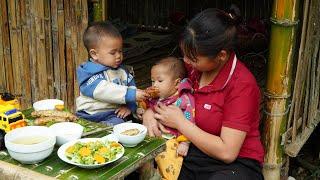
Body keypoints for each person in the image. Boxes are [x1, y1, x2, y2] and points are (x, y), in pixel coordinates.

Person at [143, 8, 264, 179]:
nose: (185, 61)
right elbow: (164, 88)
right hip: (192, 150)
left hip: (236, 163)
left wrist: (180, 123)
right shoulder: (193, 69)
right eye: (184, 54)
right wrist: (149, 112)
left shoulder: (242, 85)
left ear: (221, 55)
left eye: (192, 58)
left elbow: (227, 152)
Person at [76, 22, 148, 126]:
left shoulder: (124, 72)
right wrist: (131, 94)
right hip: (90, 114)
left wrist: (130, 107)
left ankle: (105, 131)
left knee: (122, 123)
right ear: (94, 54)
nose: (118, 56)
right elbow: (104, 90)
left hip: (113, 114)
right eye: (113, 53)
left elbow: (132, 90)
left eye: (120, 51)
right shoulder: (89, 73)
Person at [137, 57, 195, 180]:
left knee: (168, 160)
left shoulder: (184, 100)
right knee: (140, 156)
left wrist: (185, 142)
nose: (155, 85)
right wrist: (141, 108)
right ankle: (147, 174)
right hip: (152, 134)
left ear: (177, 83)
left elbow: (190, 120)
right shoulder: (156, 95)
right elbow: (145, 103)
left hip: (171, 138)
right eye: (153, 81)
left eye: (160, 81)